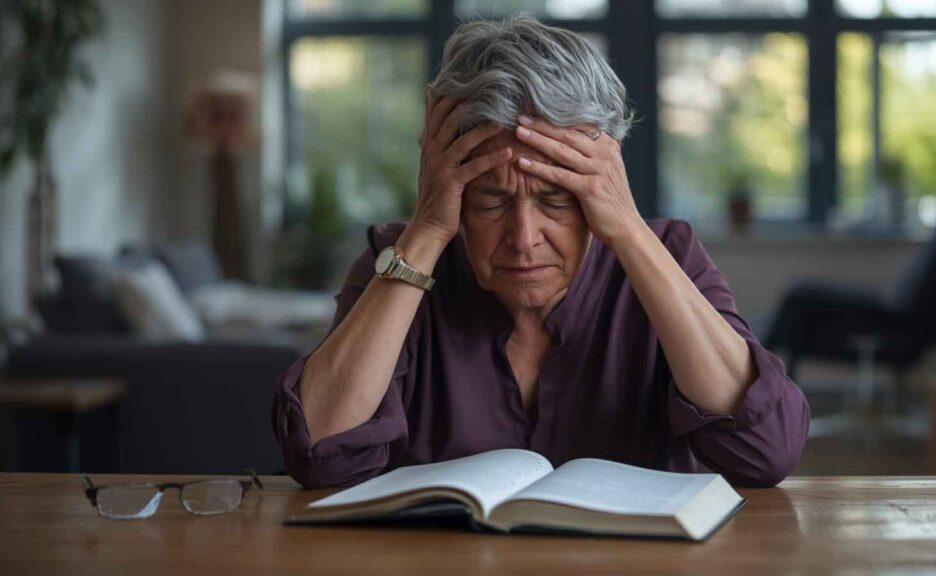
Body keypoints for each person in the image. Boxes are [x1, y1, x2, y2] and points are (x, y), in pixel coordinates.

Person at [273, 14, 809, 490]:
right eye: (489, 200)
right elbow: (317, 452)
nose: (524, 237)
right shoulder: (398, 260)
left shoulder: (667, 253)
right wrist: (431, 226)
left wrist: (625, 226)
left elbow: (765, 452)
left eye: (556, 200)